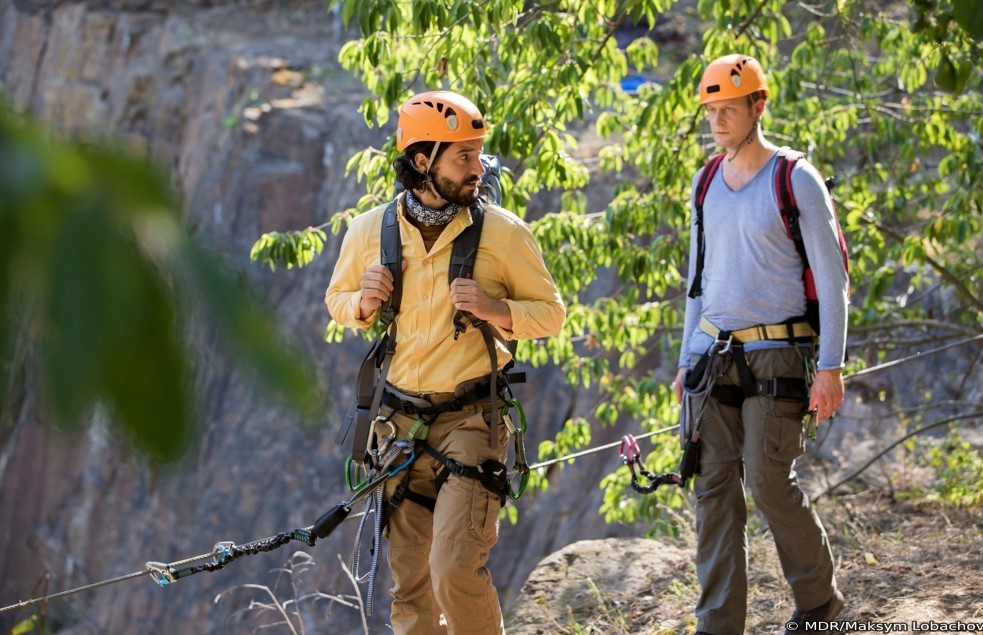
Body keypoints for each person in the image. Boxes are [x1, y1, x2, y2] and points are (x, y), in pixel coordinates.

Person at [325, 90, 565, 635]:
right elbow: (337, 301)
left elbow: (551, 315)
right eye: (463, 156)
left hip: (471, 420)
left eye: (479, 154)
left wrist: (495, 308)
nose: (477, 168)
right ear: (421, 160)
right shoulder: (370, 232)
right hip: (398, 426)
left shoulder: (502, 233)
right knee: (410, 588)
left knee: (453, 568)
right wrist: (362, 301)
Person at [673, 55, 849, 635]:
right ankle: (718, 626)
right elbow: (696, 282)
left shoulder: (794, 177)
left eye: (729, 109)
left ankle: (818, 602)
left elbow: (831, 278)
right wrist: (684, 360)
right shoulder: (705, 183)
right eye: (712, 110)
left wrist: (831, 367)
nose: (718, 120)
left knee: (769, 482)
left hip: (779, 353)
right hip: (711, 357)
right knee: (713, 492)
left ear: (758, 106)